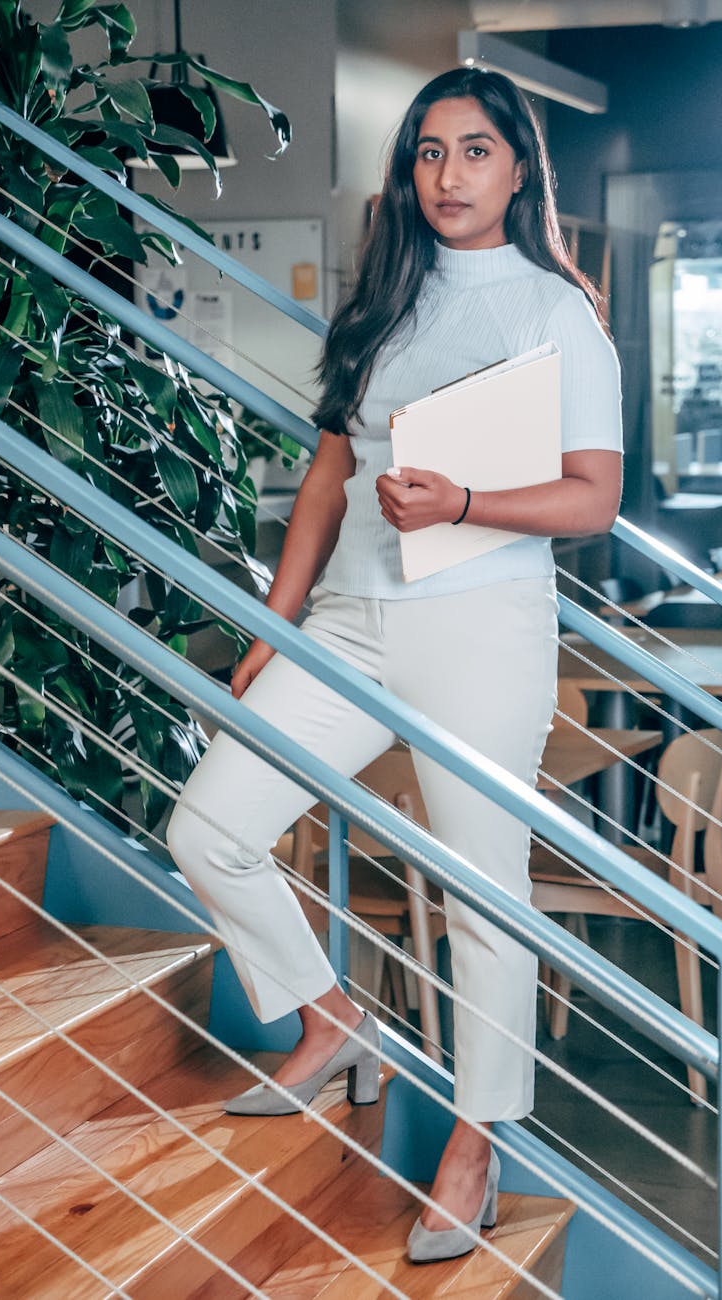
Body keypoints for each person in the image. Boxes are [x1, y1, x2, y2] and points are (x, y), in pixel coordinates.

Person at [167, 65, 622, 1264]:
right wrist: (273, 627)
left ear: (520, 167)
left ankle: (474, 1145)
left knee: (484, 895)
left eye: (474, 151)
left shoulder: (554, 311)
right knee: (208, 826)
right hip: (351, 628)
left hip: (483, 630)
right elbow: (327, 478)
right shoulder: (383, 302)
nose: (447, 175)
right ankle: (332, 1016)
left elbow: (596, 498)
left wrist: (467, 498)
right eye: (427, 152)